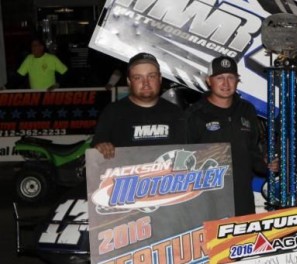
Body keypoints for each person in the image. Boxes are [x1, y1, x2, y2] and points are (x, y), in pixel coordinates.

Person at [185, 56, 275, 216]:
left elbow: (252, 153)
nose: (225, 84)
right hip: (207, 201)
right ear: (208, 81)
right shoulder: (194, 115)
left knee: (244, 241)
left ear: (237, 80)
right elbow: (184, 162)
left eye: (231, 78)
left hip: (242, 198)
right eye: (219, 78)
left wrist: (267, 165)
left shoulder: (247, 110)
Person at [92, 52, 185, 159]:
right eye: (138, 77)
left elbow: (186, 152)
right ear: (129, 81)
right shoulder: (112, 112)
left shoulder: (176, 113)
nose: (146, 83)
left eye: (151, 76)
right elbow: (97, 150)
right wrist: (101, 147)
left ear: (160, 79)